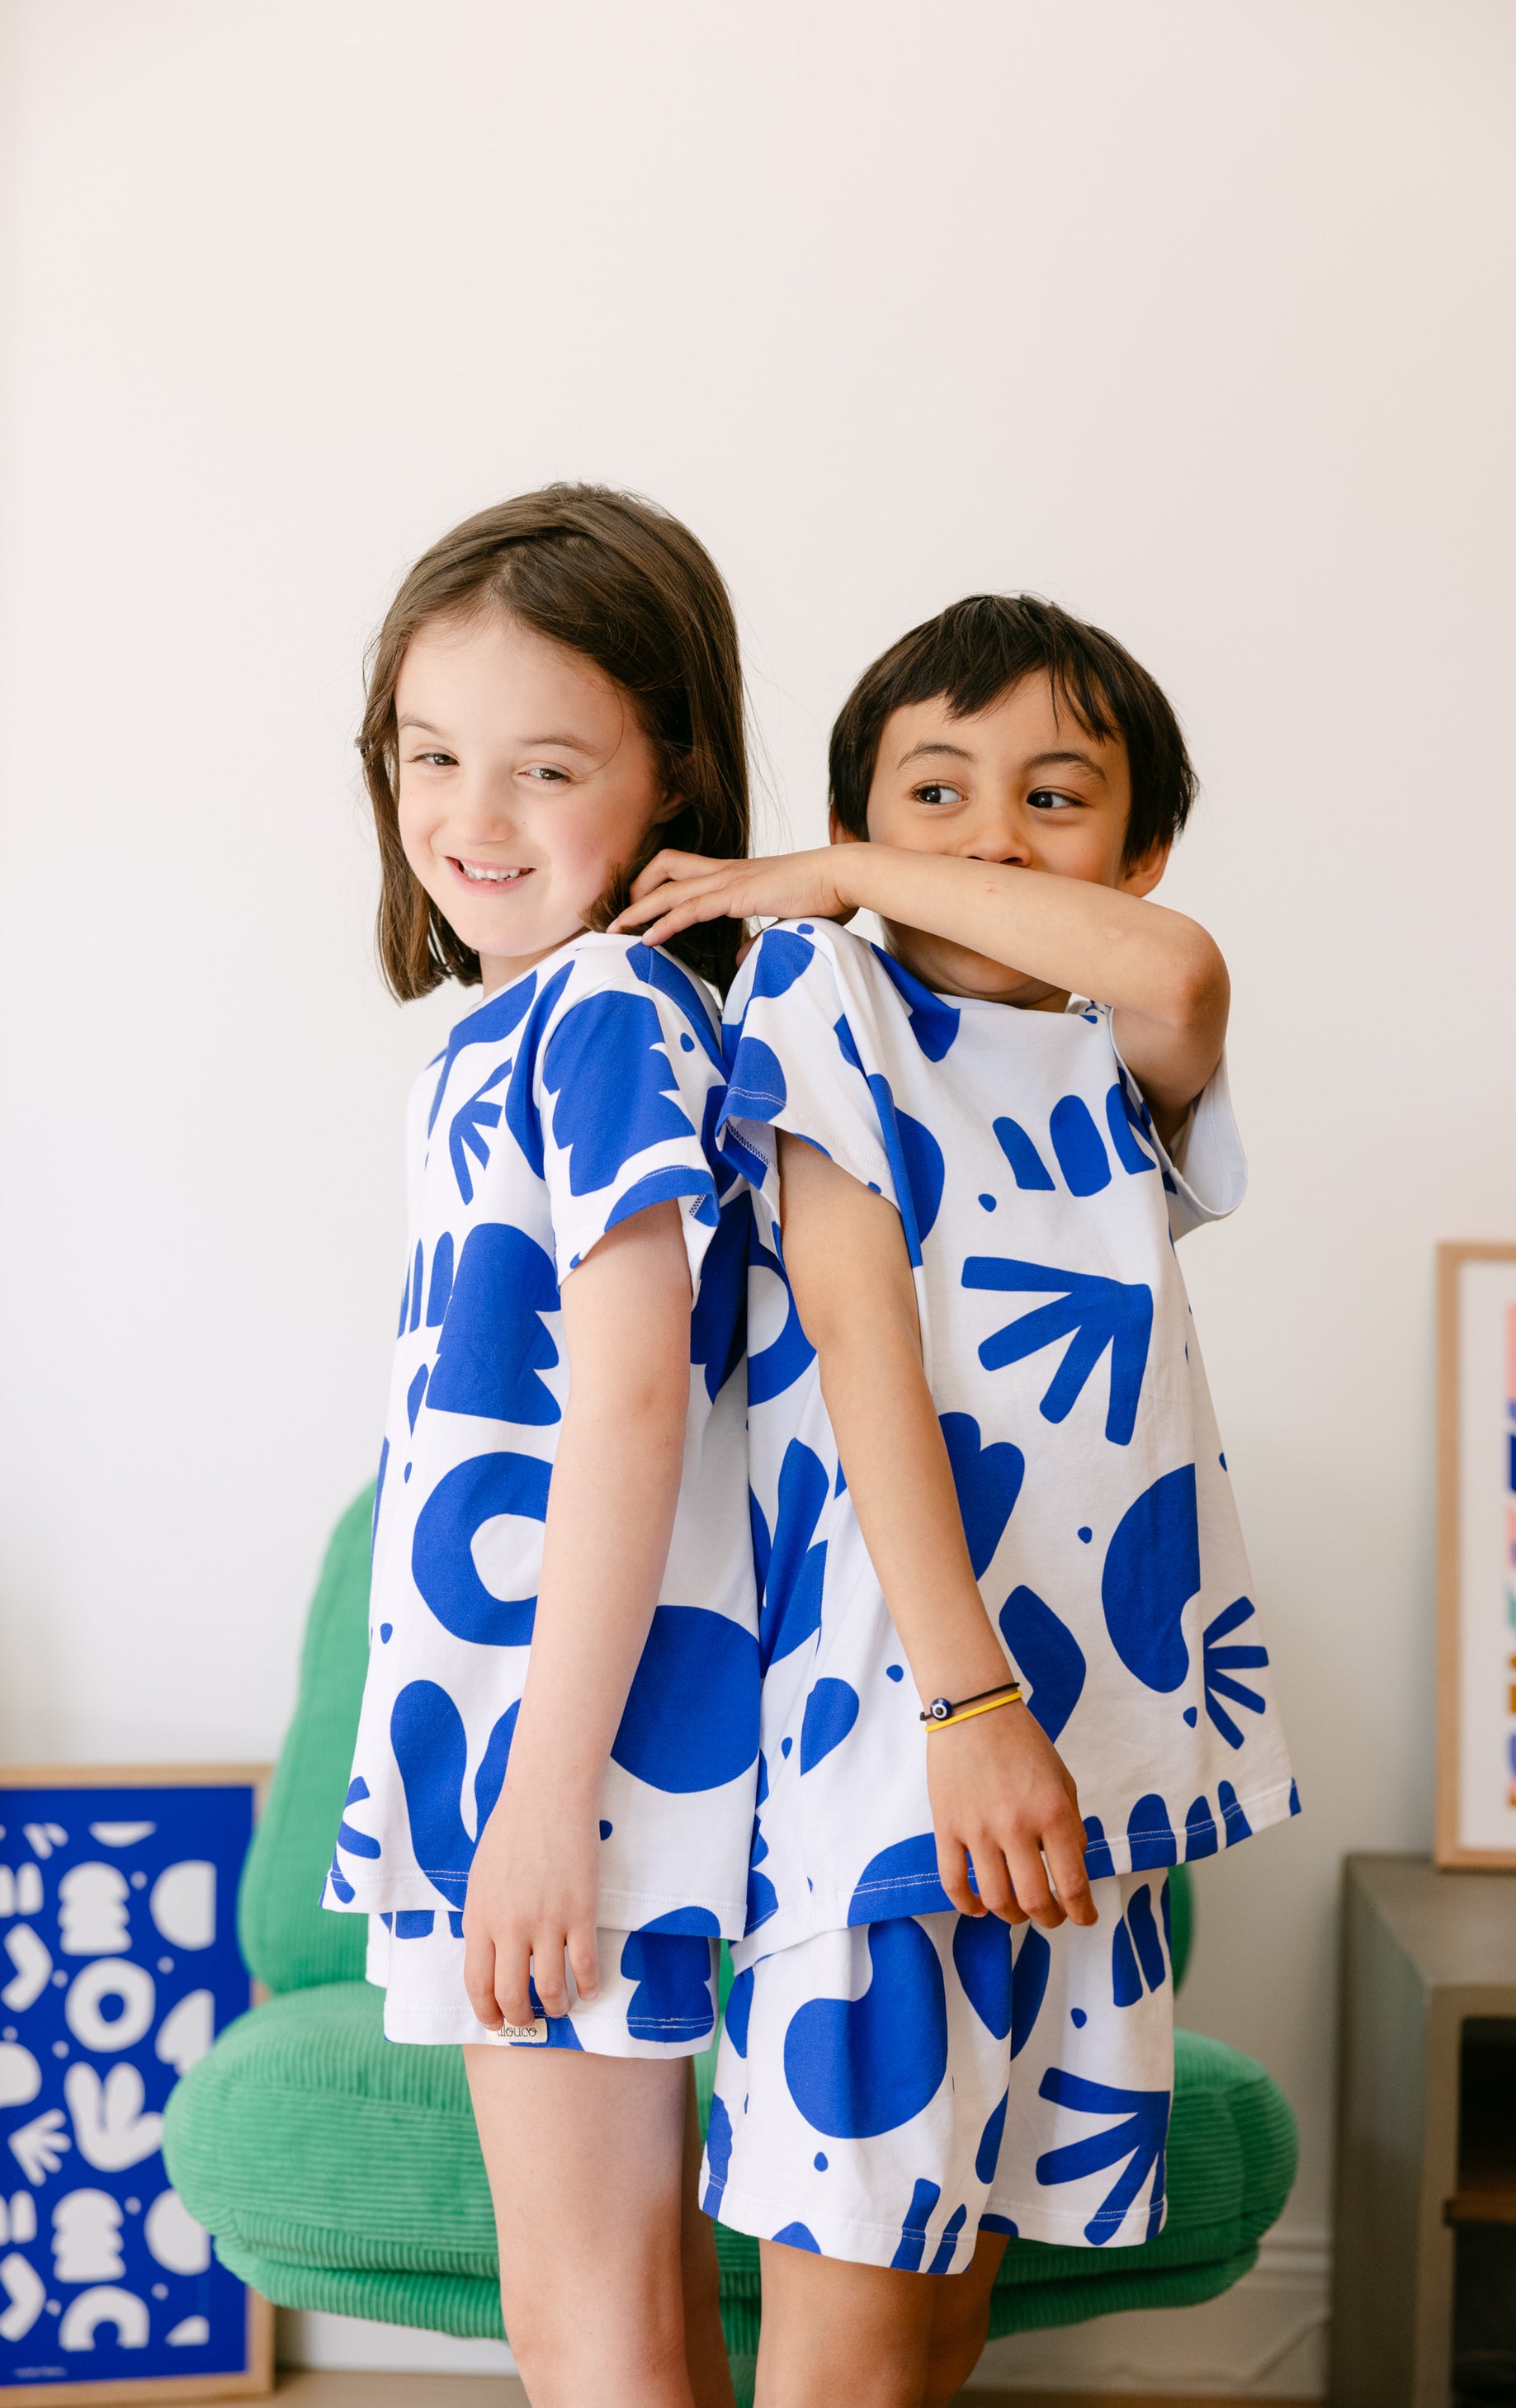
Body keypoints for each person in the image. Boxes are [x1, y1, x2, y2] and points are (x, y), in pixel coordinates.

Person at [616, 593, 1298, 2408]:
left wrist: (855, 854)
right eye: (935, 792)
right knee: (848, 2340)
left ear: (1134, 854)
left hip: (1087, 1770)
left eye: (1053, 799)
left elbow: (1182, 976)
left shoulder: (1111, 1060)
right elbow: (861, 1353)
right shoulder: (823, 995)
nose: (989, 836)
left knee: (941, 2322)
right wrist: (969, 1705)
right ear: (855, 835)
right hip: (903, 1742)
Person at [325, 486, 757, 2408]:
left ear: (675, 779)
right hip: (532, 1739)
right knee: (620, 2308)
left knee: (584, 2322)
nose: (470, 814)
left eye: (546, 765)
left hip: (561, 1749)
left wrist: (538, 1798)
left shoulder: (600, 1010)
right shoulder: (506, 1031)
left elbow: (634, 1401)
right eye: (431, 754)